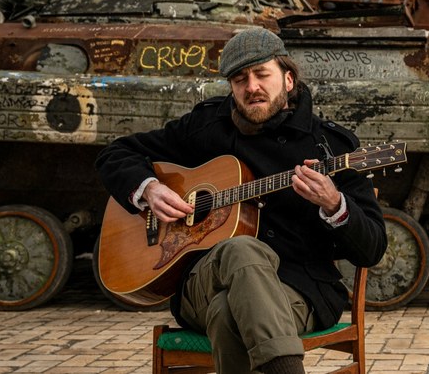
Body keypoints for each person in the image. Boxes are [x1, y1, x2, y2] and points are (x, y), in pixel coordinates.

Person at [96, 27, 387, 374]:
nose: (251, 87)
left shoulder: (331, 148)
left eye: (262, 74)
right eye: (239, 80)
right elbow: (116, 153)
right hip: (201, 285)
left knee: (227, 312)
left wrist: (334, 204)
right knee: (240, 249)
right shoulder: (207, 127)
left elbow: (372, 248)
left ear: (288, 79)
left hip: (297, 291)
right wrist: (148, 189)